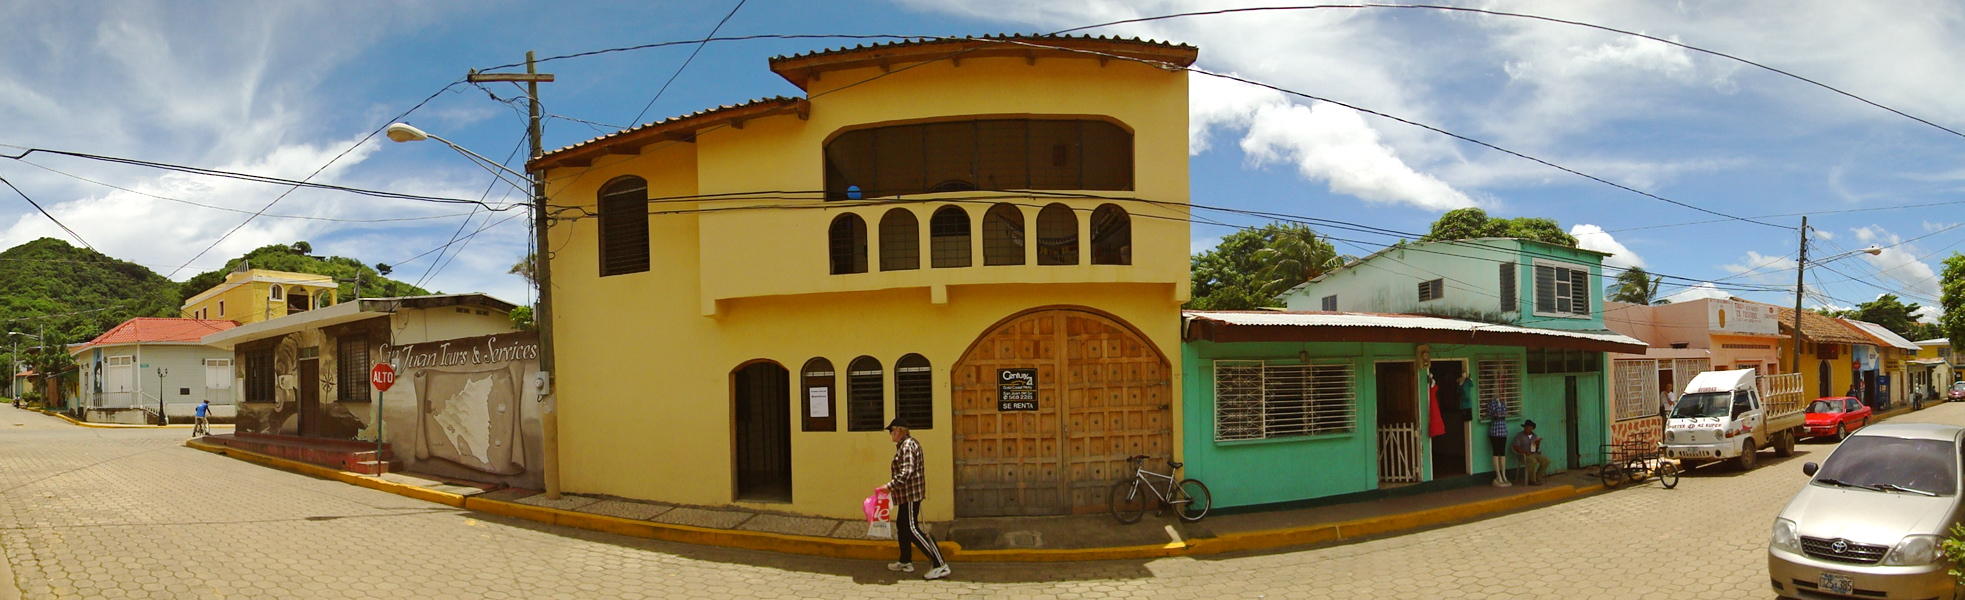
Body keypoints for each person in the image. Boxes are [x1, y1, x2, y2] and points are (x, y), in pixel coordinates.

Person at [877, 418, 949, 580]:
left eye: (891, 431)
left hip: (910, 494)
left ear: (899, 430)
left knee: (911, 528)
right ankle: (905, 561)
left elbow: (907, 472)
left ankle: (940, 564)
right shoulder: (905, 445)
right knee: (902, 526)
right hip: (905, 494)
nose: (890, 435)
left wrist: (889, 486)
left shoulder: (908, 446)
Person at [1483, 392, 1511, 487]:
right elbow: (1494, 414)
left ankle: (1503, 475)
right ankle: (1498, 475)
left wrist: (1500, 413)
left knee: (1502, 453)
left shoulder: (1503, 403)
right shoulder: (1491, 403)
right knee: (1496, 453)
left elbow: (1505, 413)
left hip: (1503, 430)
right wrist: (1500, 414)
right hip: (1495, 431)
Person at [1512, 419, 1552, 485]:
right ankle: (1532, 480)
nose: (1527, 428)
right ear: (1524, 427)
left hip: (1533, 453)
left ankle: (1538, 477)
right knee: (1533, 461)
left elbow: (1535, 449)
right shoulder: (1519, 436)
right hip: (1523, 455)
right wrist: (1524, 452)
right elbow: (1515, 446)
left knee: (1546, 461)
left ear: (1532, 428)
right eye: (1526, 427)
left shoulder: (1534, 436)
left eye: (1529, 427)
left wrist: (1538, 443)